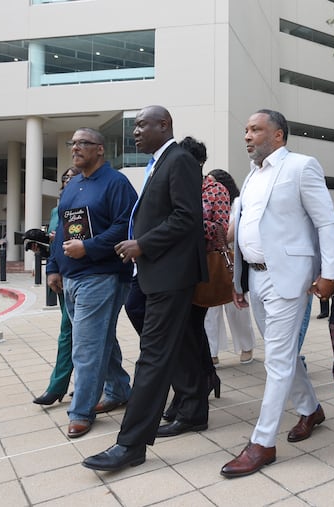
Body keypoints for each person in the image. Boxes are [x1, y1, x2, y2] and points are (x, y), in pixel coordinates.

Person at [82, 105, 207, 472]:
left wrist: (143, 244)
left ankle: (131, 444)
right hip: (157, 271)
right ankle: (194, 410)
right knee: (183, 343)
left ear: (163, 125)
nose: (135, 132)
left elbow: (187, 216)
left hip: (171, 274)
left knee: (151, 358)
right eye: (134, 126)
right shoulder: (159, 161)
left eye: (141, 125)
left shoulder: (179, 159)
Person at [219, 109, 334, 478]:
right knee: (283, 353)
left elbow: (325, 221)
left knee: (278, 358)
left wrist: (329, 274)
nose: (247, 136)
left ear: (279, 136)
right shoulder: (251, 177)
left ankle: (262, 442)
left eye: (255, 129)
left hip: (290, 277)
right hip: (255, 278)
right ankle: (311, 409)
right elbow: (246, 230)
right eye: (246, 130)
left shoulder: (302, 167)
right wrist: (239, 281)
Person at [45, 128, 136, 438]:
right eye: (73, 143)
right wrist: (53, 266)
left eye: (83, 143)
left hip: (102, 276)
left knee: (86, 346)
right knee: (99, 340)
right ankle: (119, 389)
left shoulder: (117, 183)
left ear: (100, 149)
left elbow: (128, 226)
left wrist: (90, 247)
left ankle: (81, 410)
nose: (76, 148)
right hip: (70, 277)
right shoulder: (72, 187)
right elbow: (62, 231)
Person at [158, 137, 225, 430]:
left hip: (201, 266)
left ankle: (192, 395)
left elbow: (219, 229)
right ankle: (201, 383)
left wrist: (186, 220)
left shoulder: (215, 189)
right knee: (189, 333)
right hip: (175, 266)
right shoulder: (176, 183)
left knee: (190, 331)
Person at [33, 166, 81, 406]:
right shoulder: (56, 209)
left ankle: (61, 385)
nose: (68, 181)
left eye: (73, 177)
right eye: (65, 178)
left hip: (84, 274)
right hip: (62, 274)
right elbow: (55, 241)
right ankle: (67, 385)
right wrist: (41, 244)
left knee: (74, 332)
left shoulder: (87, 204)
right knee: (70, 332)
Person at [203, 168, 256, 366]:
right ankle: (212, 351)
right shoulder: (206, 201)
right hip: (211, 259)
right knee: (211, 310)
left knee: (237, 307)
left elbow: (230, 232)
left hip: (233, 260)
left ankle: (246, 346)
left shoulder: (237, 203)